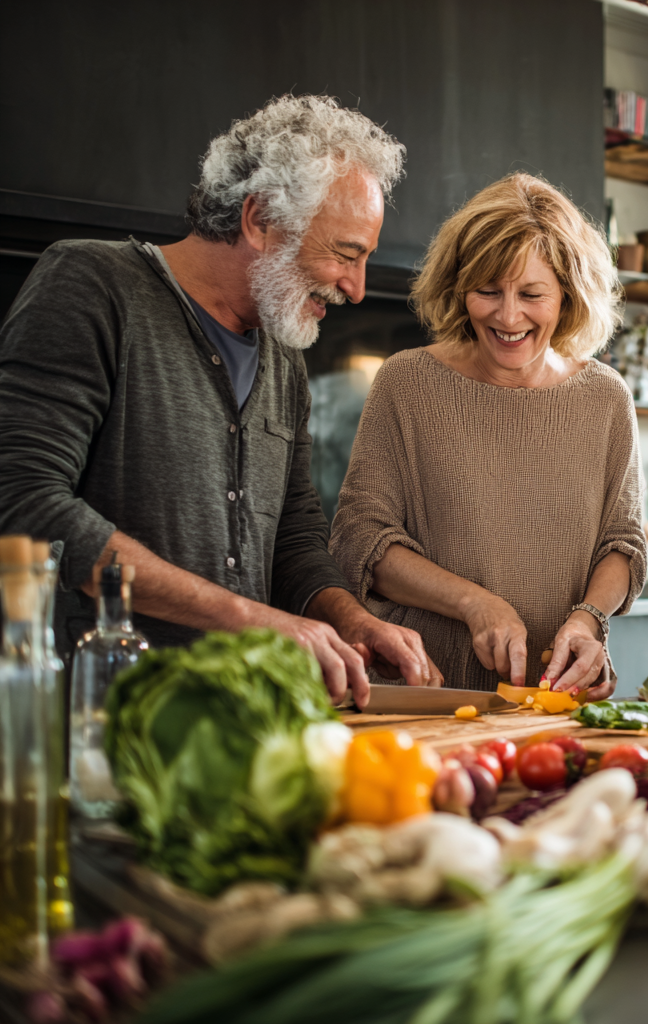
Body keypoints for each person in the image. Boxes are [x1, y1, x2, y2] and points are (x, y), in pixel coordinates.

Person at [0, 94, 438, 706]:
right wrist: (255, 619)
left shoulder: (283, 354)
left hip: (239, 721)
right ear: (258, 220)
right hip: (97, 722)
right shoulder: (91, 286)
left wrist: (352, 621)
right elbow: (23, 504)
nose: (357, 289)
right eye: (345, 254)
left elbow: (294, 537)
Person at [330, 173, 647, 695]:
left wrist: (588, 620)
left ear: (568, 294)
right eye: (487, 291)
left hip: (554, 694)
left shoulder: (605, 397)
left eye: (531, 294)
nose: (508, 315)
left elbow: (623, 544)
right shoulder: (407, 383)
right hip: (428, 691)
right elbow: (360, 542)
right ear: (459, 288)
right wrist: (476, 603)